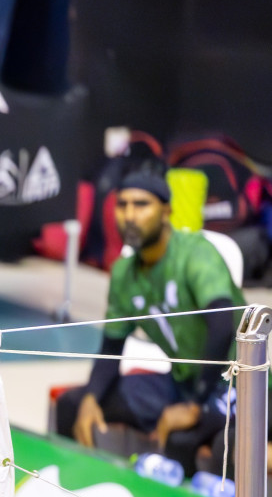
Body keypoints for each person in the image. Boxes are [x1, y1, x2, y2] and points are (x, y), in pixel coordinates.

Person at [54, 169, 243, 475]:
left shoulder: (195, 255)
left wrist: (195, 406)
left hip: (229, 383)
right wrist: (91, 397)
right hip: (179, 383)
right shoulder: (123, 273)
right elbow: (111, 348)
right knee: (72, 405)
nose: (129, 215)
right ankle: (76, 494)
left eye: (141, 205)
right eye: (122, 204)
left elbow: (223, 327)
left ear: (166, 210)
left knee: (183, 438)